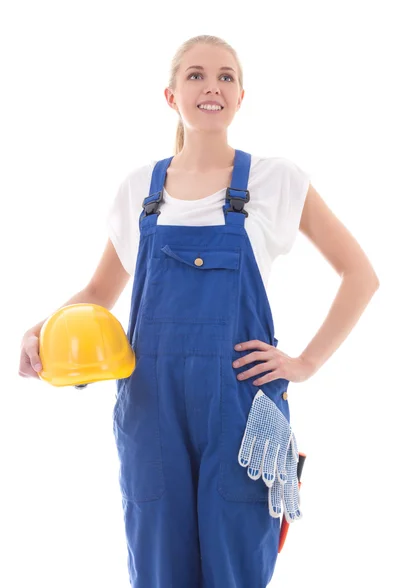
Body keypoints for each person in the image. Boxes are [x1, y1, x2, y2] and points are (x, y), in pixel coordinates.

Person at [19, 34, 380, 587]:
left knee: (235, 563)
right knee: (159, 565)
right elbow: (98, 291)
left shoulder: (275, 181)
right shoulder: (139, 190)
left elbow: (361, 275)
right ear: (170, 95)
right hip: (150, 407)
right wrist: (41, 329)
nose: (211, 85)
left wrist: (305, 363)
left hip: (240, 404)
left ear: (240, 97)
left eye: (226, 76)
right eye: (195, 75)